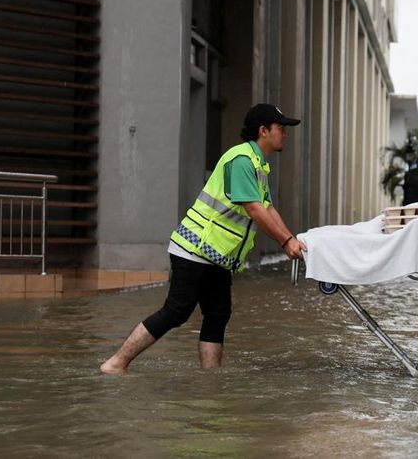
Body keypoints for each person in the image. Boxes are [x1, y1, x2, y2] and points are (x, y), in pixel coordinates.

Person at [100, 103, 308, 375]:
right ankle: (115, 364)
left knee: (218, 314)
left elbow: (267, 207)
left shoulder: (258, 165)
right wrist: (285, 242)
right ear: (263, 130)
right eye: (281, 128)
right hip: (195, 249)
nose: (285, 134)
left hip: (217, 256)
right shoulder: (242, 160)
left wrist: (291, 239)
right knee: (177, 311)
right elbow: (254, 209)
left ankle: (210, 379)